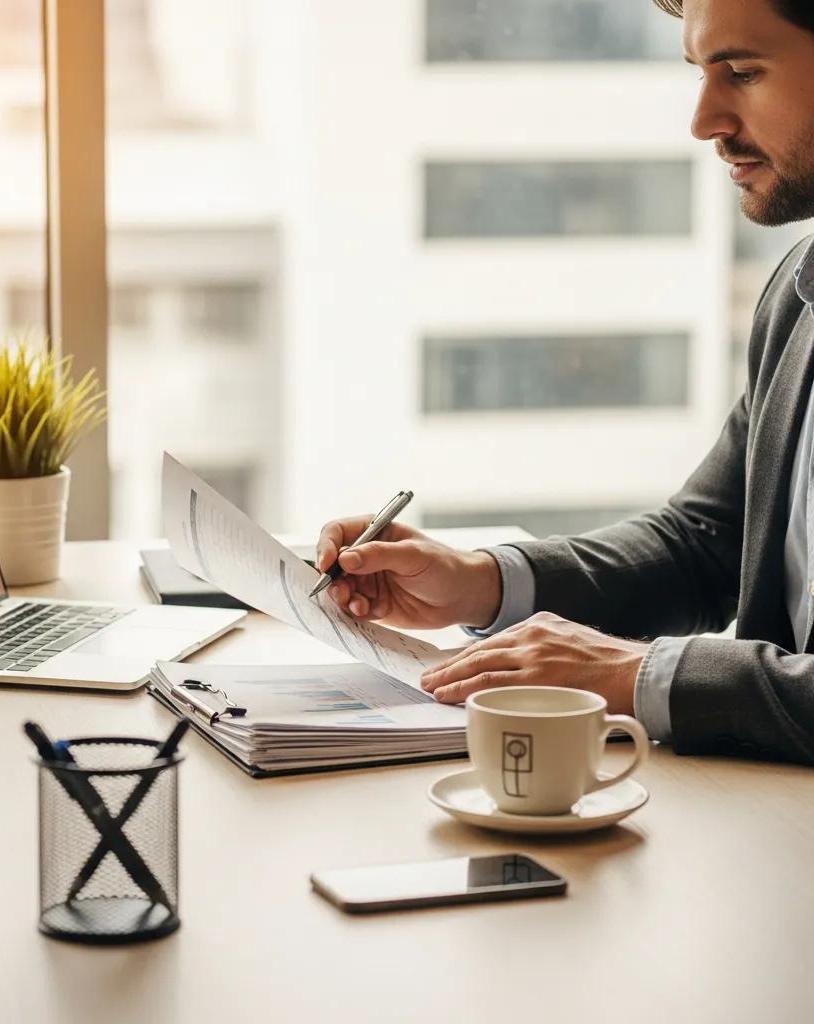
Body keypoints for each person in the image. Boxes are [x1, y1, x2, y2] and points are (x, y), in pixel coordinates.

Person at [316, 0, 814, 764]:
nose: (705, 119)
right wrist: (480, 584)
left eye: (741, 72)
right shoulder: (800, 293)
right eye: (701, 73)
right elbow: (706, 544)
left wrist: (639, 675)